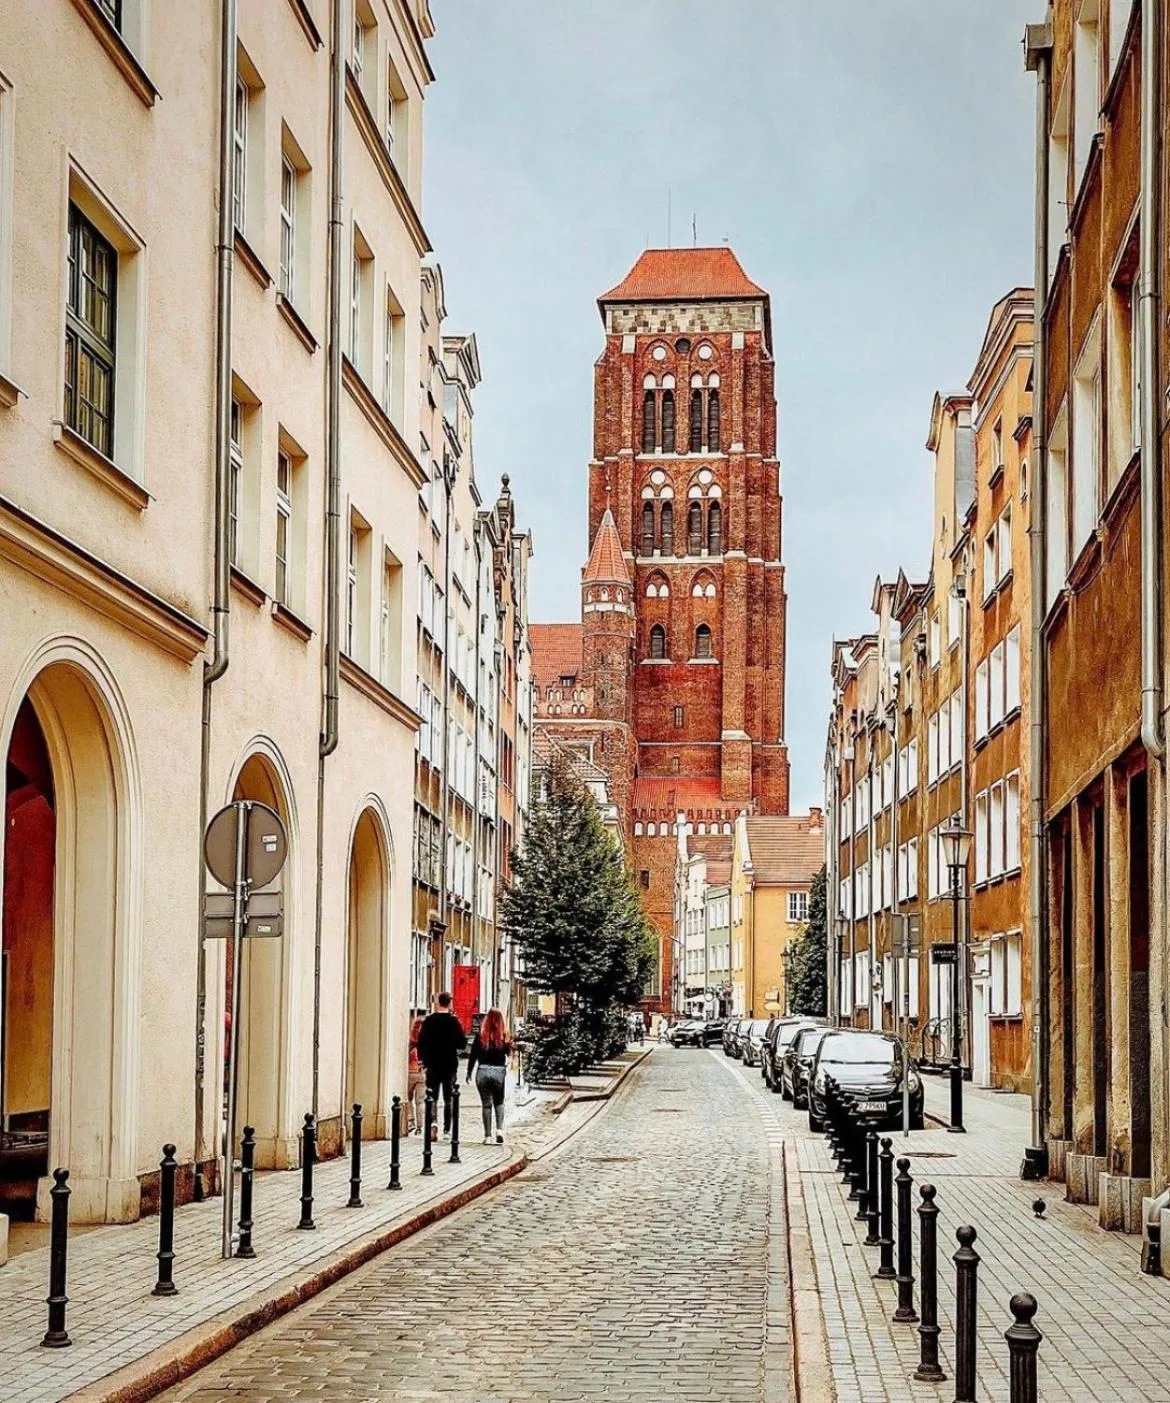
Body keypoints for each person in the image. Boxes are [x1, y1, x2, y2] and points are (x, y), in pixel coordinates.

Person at [416, 991, 467, 1141]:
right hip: (449, 1064)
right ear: (449, 1003)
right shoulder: (453, 1022)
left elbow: (421, 1042)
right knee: (448, 1098)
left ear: (438, 1003)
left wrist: (422, 1060)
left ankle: (433, 1123)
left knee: (432, 1095)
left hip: (432, 1064)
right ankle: (447, 1130)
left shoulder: (429, 1021)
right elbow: (462, 1043)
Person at [467, 1008, 511, 1145]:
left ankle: (487, 1136)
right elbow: (508, 1052)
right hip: (498, 1072)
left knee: (486, 1105)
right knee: (499, 1101)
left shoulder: (480, 1036)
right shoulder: (504, 1035)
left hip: (483, 1071)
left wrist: (469, 1072)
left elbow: (473, 1056)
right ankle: (499, 1130)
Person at [406, 1013, 426, 1135]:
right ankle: (420, 1126)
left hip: (409, 1073)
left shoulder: (410, 1042)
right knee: (420, 1102)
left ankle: (410, 1121)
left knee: (408, 1099)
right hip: (421, 1073)